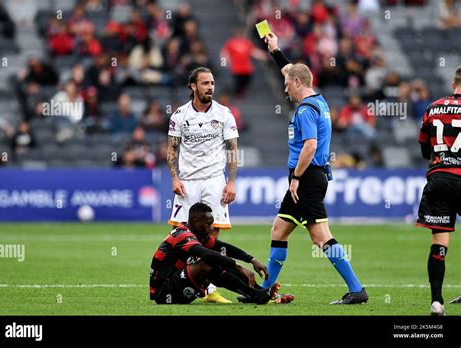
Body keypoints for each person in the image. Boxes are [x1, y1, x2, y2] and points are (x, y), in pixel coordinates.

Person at [260, 31, 368, 305]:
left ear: (297, 83)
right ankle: (264, 290)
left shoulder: (306, 110)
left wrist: (295, 178)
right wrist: (275, 50)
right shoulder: (318, 101)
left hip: (306, 178)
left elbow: (309, 146)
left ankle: (357, 289)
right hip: (309, 176)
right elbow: (291, 69)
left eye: (287, 84)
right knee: (279, 231)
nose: (285, 88)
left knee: (320, 236)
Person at [167, 66, 238, 303]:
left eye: (212, 83)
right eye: (205, 83)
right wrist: (174, 178)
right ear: (193, 86)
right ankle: (176, 280)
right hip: (187, 182)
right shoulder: (179, 115)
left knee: (211, 237)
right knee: (180, 235)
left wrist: (231, 182)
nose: (210, 87)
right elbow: (172, 149)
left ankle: (208, 290)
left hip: (215, 181)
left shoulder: (224, 113)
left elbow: (233, 150)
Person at [150, 202, 279, 305]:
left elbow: (222, 247)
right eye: (208, 223)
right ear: (195, 221)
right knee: (209, 262)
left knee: (218, 260)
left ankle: (258, 293)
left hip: (181, 286)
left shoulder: (199, 235)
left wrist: (251, 259)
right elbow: (207, 255)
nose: (211, 228)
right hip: (164, 292)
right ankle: (255, 294)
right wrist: (237, 266)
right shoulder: (181, 234)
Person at [415, 66, 461, 316]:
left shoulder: (434, 107)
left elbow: (424, 149)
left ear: (454, 84)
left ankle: (437, 302)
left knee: (439, 244)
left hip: (439, 178)